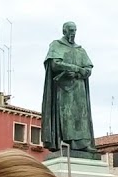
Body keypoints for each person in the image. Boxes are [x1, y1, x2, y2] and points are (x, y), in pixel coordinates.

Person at [41, 21, 97, 157]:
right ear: (64, 31)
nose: (73, 33)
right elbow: (55, 64)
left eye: (74, 30)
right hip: (63, 88)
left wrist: (78, 73)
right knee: (67, 116)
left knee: (81, 115)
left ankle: (83, 144)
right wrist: (76, 68)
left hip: (79, 88)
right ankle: (67, 142)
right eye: (70, 30)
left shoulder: (80, 50)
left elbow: (88, 69)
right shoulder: (56, 45)